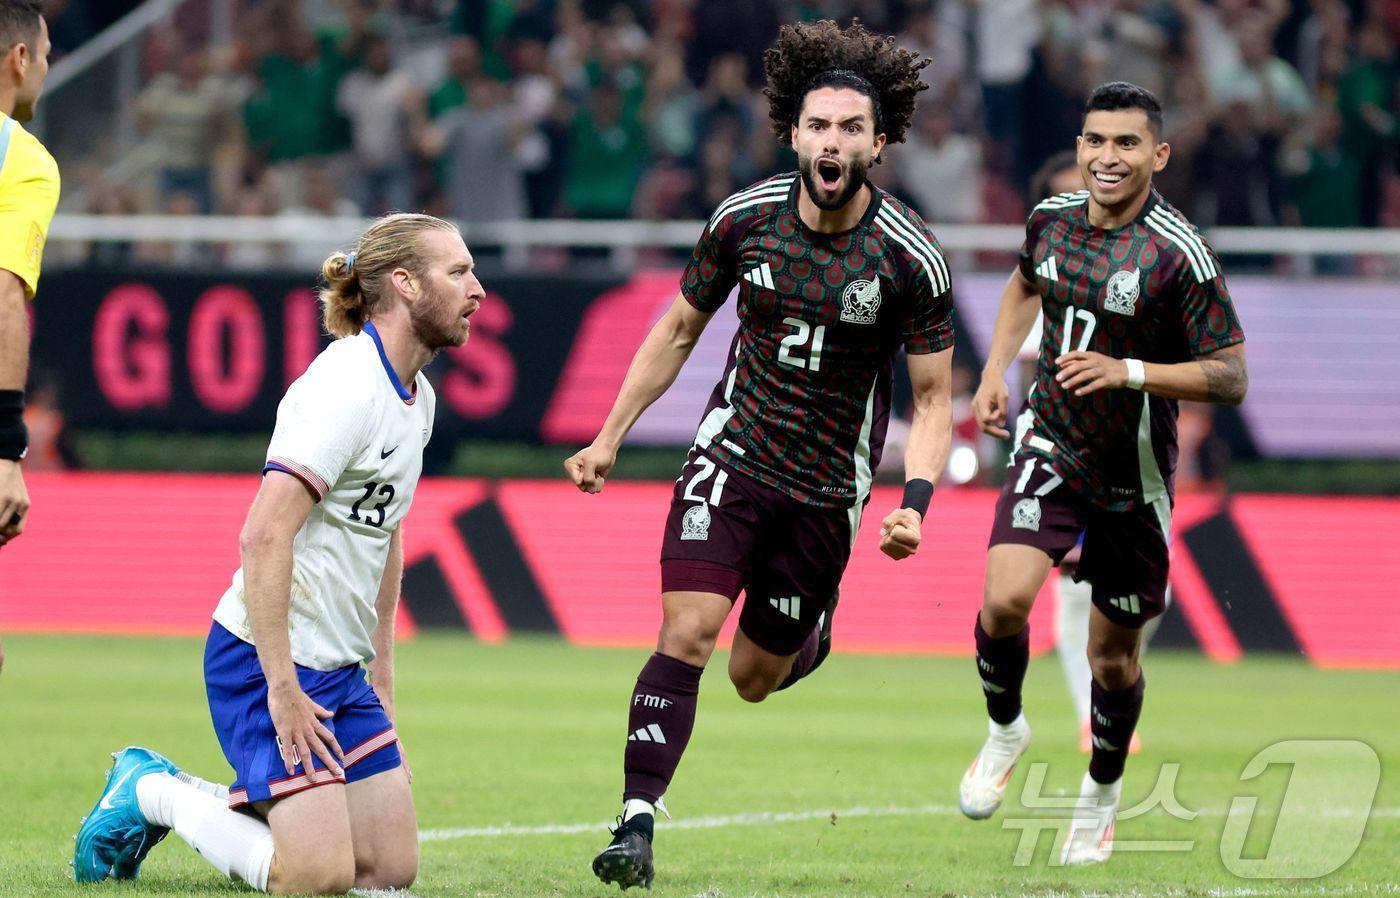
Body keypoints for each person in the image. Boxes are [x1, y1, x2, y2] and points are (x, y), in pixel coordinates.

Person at [565, 19, 955, 891]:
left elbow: (932, 399)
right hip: (733, 454)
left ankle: (809, 631)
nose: (834, 141)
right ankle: (636, 821)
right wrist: (608, 437)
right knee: (690, 629)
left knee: (752, 676)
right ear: (793, 133)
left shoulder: (911, 257)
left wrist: (915, 502)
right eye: (820, 125)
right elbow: (676, 330)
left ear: (879, 143)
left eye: (852, 128)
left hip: (827, 490)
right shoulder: (743, 219)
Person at [74, 213, 485, 894]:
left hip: (338, 669)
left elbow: (386, 537)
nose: (478, 289)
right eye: (460, 271)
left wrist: (381, 682)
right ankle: (154, 790)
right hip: (266, 658)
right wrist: (282, 688)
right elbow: (264, 535)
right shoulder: (346, 385)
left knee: (389, 873)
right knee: (317, 877)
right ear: (406, 284)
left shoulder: (420, 399)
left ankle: (242, 798)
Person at [958, 82, 1247, 865]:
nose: (1106, 157)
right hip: (1050, 443)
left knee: (1111, 659)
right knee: (1005, 598)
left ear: (1158, 154)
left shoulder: (1178, 252)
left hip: (1136, 480)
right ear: (1079, 147)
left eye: (1125, 144)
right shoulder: (1051, 219)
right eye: (1094, 141)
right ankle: (1004, 730)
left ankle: (1102, 793)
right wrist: (992, 372)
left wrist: (1131, 372)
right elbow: (1025, 283)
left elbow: (1230, 376)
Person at [0, 0, 57, 680]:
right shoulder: (20, 158)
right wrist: (6, 447)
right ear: (19, 61)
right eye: (44, 56)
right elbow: (5, 291)